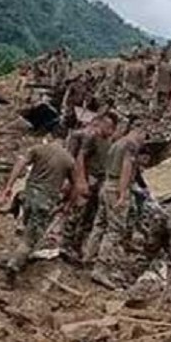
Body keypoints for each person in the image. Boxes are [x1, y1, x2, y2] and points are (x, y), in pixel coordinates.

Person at [0, 141, 74, 286]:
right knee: (30, 238)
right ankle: (13, 267)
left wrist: (8, 187)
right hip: (45, 201)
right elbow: (76, 186)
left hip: (29, 196)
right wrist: (67, 204)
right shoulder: (68, 159)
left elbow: (20, 165)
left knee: (27, 229)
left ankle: (17, 256)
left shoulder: (39, 148)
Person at [89, 128, 147, 288]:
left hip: (106, 185)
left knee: (99, 224)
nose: (143, 140)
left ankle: (88, 258)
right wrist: (123, 193)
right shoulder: (131, 145)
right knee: (115, 230)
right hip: (116, 188)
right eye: (144, 136)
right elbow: (127, 167)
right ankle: (100, 269)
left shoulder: (117, 143)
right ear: (139, 132)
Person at [61, 112, 118, 262]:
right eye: (108, 126)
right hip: (89, 178)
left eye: (112, 127)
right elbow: (81, 158)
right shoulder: (92, 138)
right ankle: (66, 245)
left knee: (89, 216)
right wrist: (81, 181)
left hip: (99, 181)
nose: (110, 130)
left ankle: (77, 246)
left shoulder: (108, 142)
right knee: (78, 212)